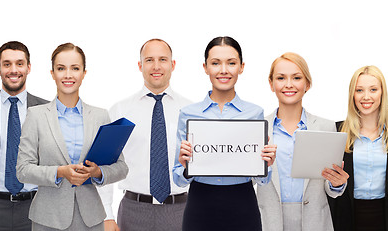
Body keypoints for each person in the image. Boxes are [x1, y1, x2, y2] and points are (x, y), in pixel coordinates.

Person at [15, 42, 128, 231]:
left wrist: (97, 172)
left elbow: (121, 168)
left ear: (84, 73)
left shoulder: (100, 116)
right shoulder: (36, 116)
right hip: (48, 219)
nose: (68, 75)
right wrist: (60, 172)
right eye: (61, 68)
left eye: (75, 68)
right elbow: (23, 170)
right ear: (52, 73)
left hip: (91, 219)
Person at [172, 36, 277, 231]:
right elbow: (178, 178)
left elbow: (262, 180)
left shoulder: (254, 113)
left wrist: (267, 165)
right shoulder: (188, 114)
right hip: (199, 205)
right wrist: (186, 165)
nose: (223, 70)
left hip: (243, 203)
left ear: (241, 67)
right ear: (205, 68)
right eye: (215, 63)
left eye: (231, 63)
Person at [97, 38, 192, 231]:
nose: (156, 66)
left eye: (163, 59)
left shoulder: (191, 112)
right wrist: (107, 214)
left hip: (181, 210)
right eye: (149, 60)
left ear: (172, 65)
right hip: (134, 211)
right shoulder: (120, 111)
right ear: (140, 65)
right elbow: (105, 165)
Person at [256, 52, 349, 231]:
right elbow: (249, 181)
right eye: (281, 78)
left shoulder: (326, 127)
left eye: (297, 77)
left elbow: (330, 189)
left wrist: (336, 183)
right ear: (271, 84)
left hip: (315, 223)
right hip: (269, 222)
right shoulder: (258, 128)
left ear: (307, 83)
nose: (289, 84)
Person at [0, 41, 49, 231]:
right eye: (7, 64)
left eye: (19, 63)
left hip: (35, 207)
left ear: (29, 67)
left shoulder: (47, 110)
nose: (13, 70)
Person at [329, 65, 388, 231]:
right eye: (359, 90)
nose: (366, 96)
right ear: (352, 95)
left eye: (373, 89)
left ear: (382, 93)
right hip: (346, 221)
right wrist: (335, 185)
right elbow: (328, 189)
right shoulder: (337, 131)